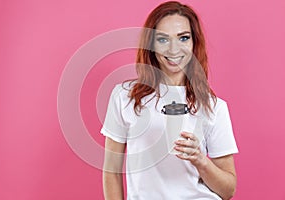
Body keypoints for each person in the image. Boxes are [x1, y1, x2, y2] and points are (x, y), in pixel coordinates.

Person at [101, 1, 238, 199]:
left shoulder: (213, 106)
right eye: (163, 39)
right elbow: (111, 170)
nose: (174, 49)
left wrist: (201, 160)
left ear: (194, 43)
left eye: (183, 38)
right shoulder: (124, 97)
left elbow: (228, 191)